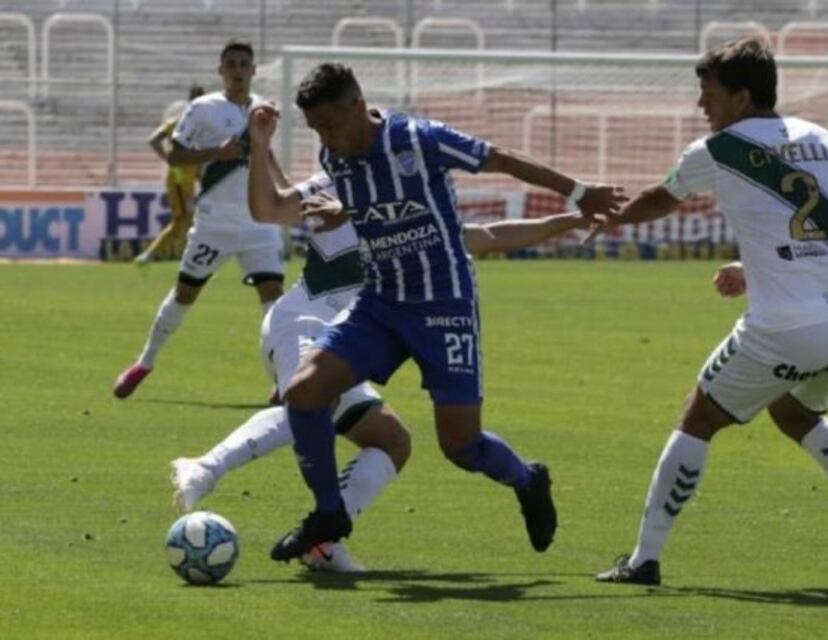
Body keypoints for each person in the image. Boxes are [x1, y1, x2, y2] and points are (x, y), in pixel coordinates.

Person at [248, 62, 626, 562]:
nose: (326, 138)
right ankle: (328, 513)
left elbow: (501, 159)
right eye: (318, 129)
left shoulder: (419, 139)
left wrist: (579, 193)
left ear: (359, 107)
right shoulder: (334, 157)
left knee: (460, 445)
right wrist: (344, 209)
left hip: (444, 304)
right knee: (302, 392)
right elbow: (350, 203)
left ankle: (527, 479)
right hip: (381, 303)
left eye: (332, 126)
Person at [593, 39, 828, 587]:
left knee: (699, 417)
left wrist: (614, 218)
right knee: (795, 415)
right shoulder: (825, 139)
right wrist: (752, 269)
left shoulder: (718, 150)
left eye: (711, 94)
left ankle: (644, 560)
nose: (704, 105)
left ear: (743, 97)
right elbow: (809, 226)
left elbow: (661, 198)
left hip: (785, 329)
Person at [170, 179, 597, 571]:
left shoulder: (417, 217)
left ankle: (327, 544)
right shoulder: (334, 188)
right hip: (301, 324)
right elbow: (271, 206)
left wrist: (569, 220)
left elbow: (489, 236)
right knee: (311, 400)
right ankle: (205, 468)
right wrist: (261, 143)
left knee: (392, 442)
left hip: (347, 344)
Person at [113, 39, 287, 399]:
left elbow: (265, 154)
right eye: (231, 64)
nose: (238, 70)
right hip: (214, 224)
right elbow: (175, 156)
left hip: (259, 225)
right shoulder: (202, 109)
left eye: (244, 64)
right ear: (221, 71)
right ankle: (144, 362)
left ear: (253, 71)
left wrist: (288, 190)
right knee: (184, 294)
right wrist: (217, 153)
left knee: (274, 300)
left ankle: (283, 378)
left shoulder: (263, 110)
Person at [135, 83, 207, 265]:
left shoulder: (197, 124)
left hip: (186, 177)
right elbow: (154, 140)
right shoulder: (181, 120)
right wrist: (170, 159)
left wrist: (200, 176)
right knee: (185, 219)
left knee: (185, 220)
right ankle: (186, 261)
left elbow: (198, 153)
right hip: (180, 177)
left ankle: (153, 256)